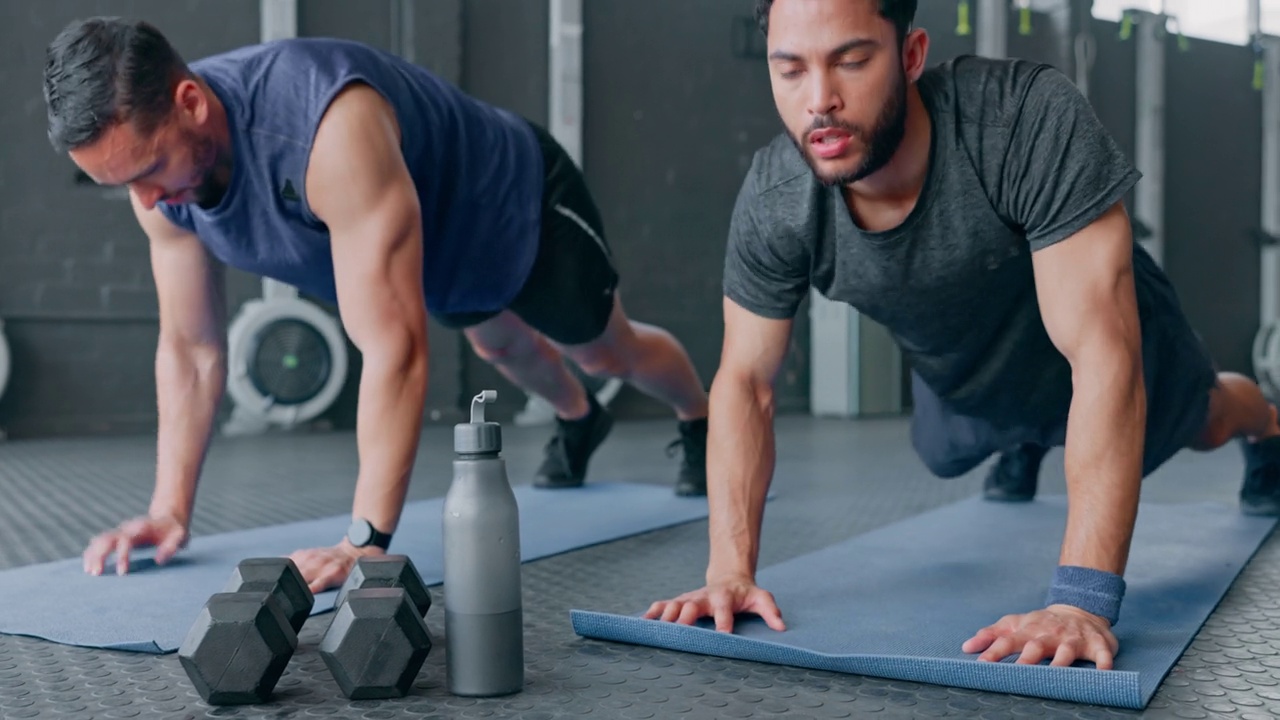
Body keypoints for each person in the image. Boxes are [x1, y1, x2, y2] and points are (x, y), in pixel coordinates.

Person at [644, 0, 1280, 671]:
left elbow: (1102, 356)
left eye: (852, 62)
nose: (819, 101)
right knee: (943, 450)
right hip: (970, 366)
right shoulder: (779, 199)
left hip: (1099, 341)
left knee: (1206, 419)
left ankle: (1266, 421)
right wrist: (729, 571)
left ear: (912, 55)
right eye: (791, 70)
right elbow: (745, 381)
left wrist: (1080, 602)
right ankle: (1031, 435)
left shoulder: (1020, 119)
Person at [42, 17, 711, 593]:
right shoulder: (160, 190)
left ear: (189, 101)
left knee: (604, 349)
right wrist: (168, 508)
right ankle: (579, 419)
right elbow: (191, 349)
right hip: (432, 256)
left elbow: (394, 347)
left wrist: (364, 539)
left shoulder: (325, 128)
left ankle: (700, 418)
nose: (148, 202)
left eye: (147, 171)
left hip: (514, 205)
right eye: (123, 186)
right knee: (499, 345)